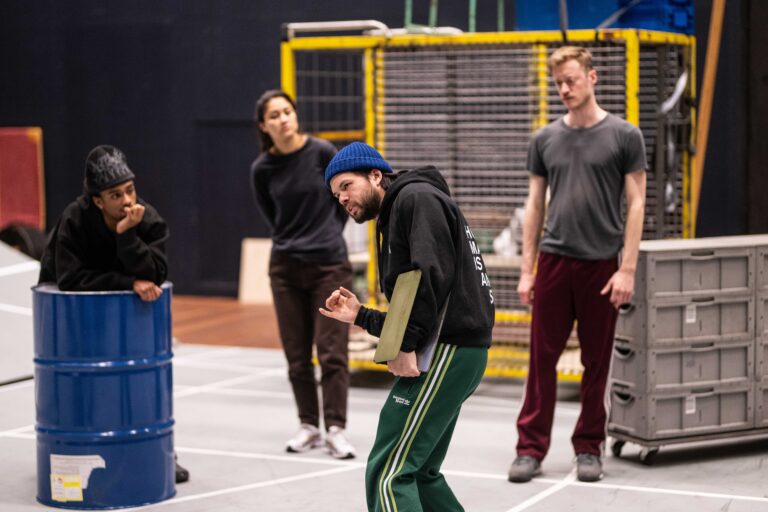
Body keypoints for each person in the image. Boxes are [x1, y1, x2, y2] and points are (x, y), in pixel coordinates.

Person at [319, 142, 494, 512]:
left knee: (388, 472)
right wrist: (361, 316)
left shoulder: (414, 199)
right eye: (337, 195)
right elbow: (413, 290)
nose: (343, 200)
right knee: (422, 471)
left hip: (445, 348)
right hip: (457, 350)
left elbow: (428, 278)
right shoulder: (408, 203)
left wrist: (402, 345)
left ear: (376, 175)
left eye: (347, 186)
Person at [508, 46, 647, 483]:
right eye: (558, 84)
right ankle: (530, 448)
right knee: (540, 361)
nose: (564, 89)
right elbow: (534, 206)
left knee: (596, 362)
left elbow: (637, 202)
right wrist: (528, 269)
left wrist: (626, 269)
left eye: (571, 80)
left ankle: (589, 447)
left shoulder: (625, 136)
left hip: (601, 266)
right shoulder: (544, 139)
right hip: (553, 262)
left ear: (592, 77)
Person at [38, 144, 190, 484]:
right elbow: (69, 279)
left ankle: (157, 453)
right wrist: (126, 281)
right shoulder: (74, 221)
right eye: (115, 194)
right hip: (74, 316)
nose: (126, 201)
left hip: (126, 316)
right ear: (97, 200)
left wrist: (127, 237)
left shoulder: (146, 218)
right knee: (89, 393)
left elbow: (156, 274)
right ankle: (77, 452)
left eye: (130, 190)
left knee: (138, 388)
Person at [250, 89, 356, 459]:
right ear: (264, 126)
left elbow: (341, 202)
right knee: (297, 355)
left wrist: (323, 235)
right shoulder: (262, 169)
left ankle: (337, 429)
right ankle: (309, 425)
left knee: (331, 352)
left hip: (329, 264)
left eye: (287, 111)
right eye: (274, 115)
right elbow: (271, 214)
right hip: (285, 267)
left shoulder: (323, 152)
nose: (283, 119)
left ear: (296, 115)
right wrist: (292, 239)